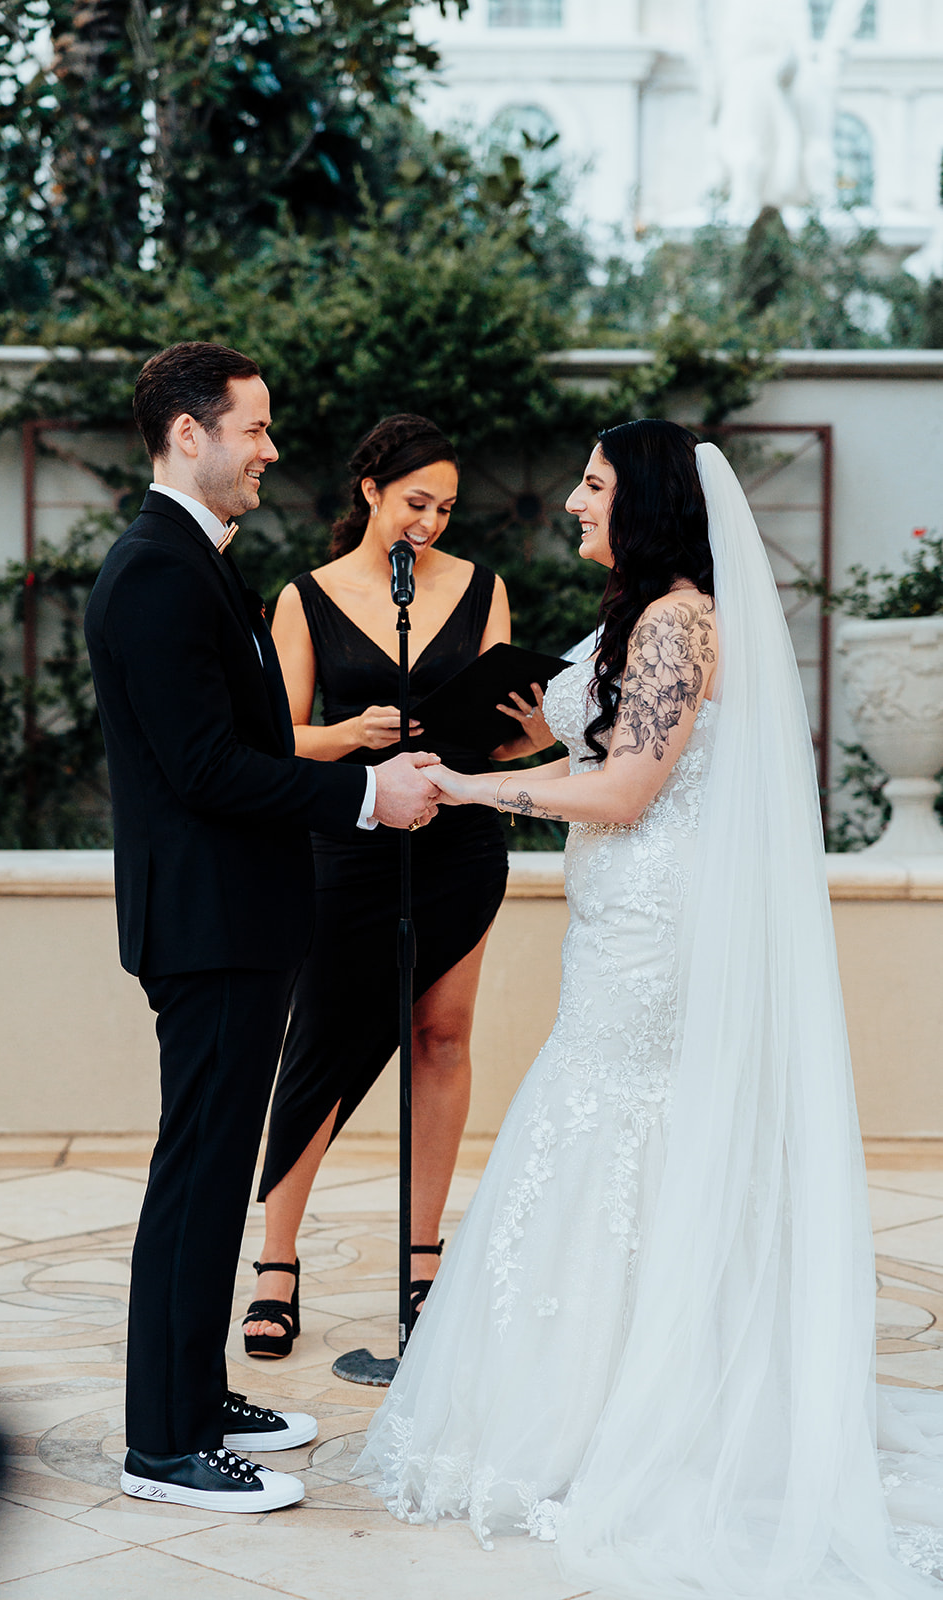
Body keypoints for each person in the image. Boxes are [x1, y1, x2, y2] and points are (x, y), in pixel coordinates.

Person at [358, 420, 943, 1596]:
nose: (574, 501)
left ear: (651, 500)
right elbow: (615, 746)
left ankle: (633, 1406)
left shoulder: (678, 617)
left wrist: (469, 785)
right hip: (619, 916)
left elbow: (627, 790)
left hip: (655, 926)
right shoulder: (643, 615)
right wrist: (527, 742)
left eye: (594, 483)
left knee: (619, 1118)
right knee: (607, 1116)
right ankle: (615, 1380)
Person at [84, 342, 441, 1514]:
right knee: (194, 1178)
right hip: (210, 925)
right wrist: (361, 795)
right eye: (255, 427)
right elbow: (204, 768)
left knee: (212, 1168)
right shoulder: (154, 572)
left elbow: (229, 748)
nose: (272, 448)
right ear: (189, 434)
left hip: (236, 919)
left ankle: (196, 1390)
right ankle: (165, 1443)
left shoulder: (192, 561)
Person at [243, 413, 555, 1358]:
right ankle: (276, 1262)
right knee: (324, 1044)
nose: (431, 522)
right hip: (347, 840)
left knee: (443, 1036)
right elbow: (272, 737)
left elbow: (504, 733)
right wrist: (353, 740)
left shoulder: (482, 588)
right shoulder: (304, 596)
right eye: (416, 501)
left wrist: (537, 734)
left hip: (459, 840)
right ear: (371, 492)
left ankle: (422, 1261)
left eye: (447, 508)